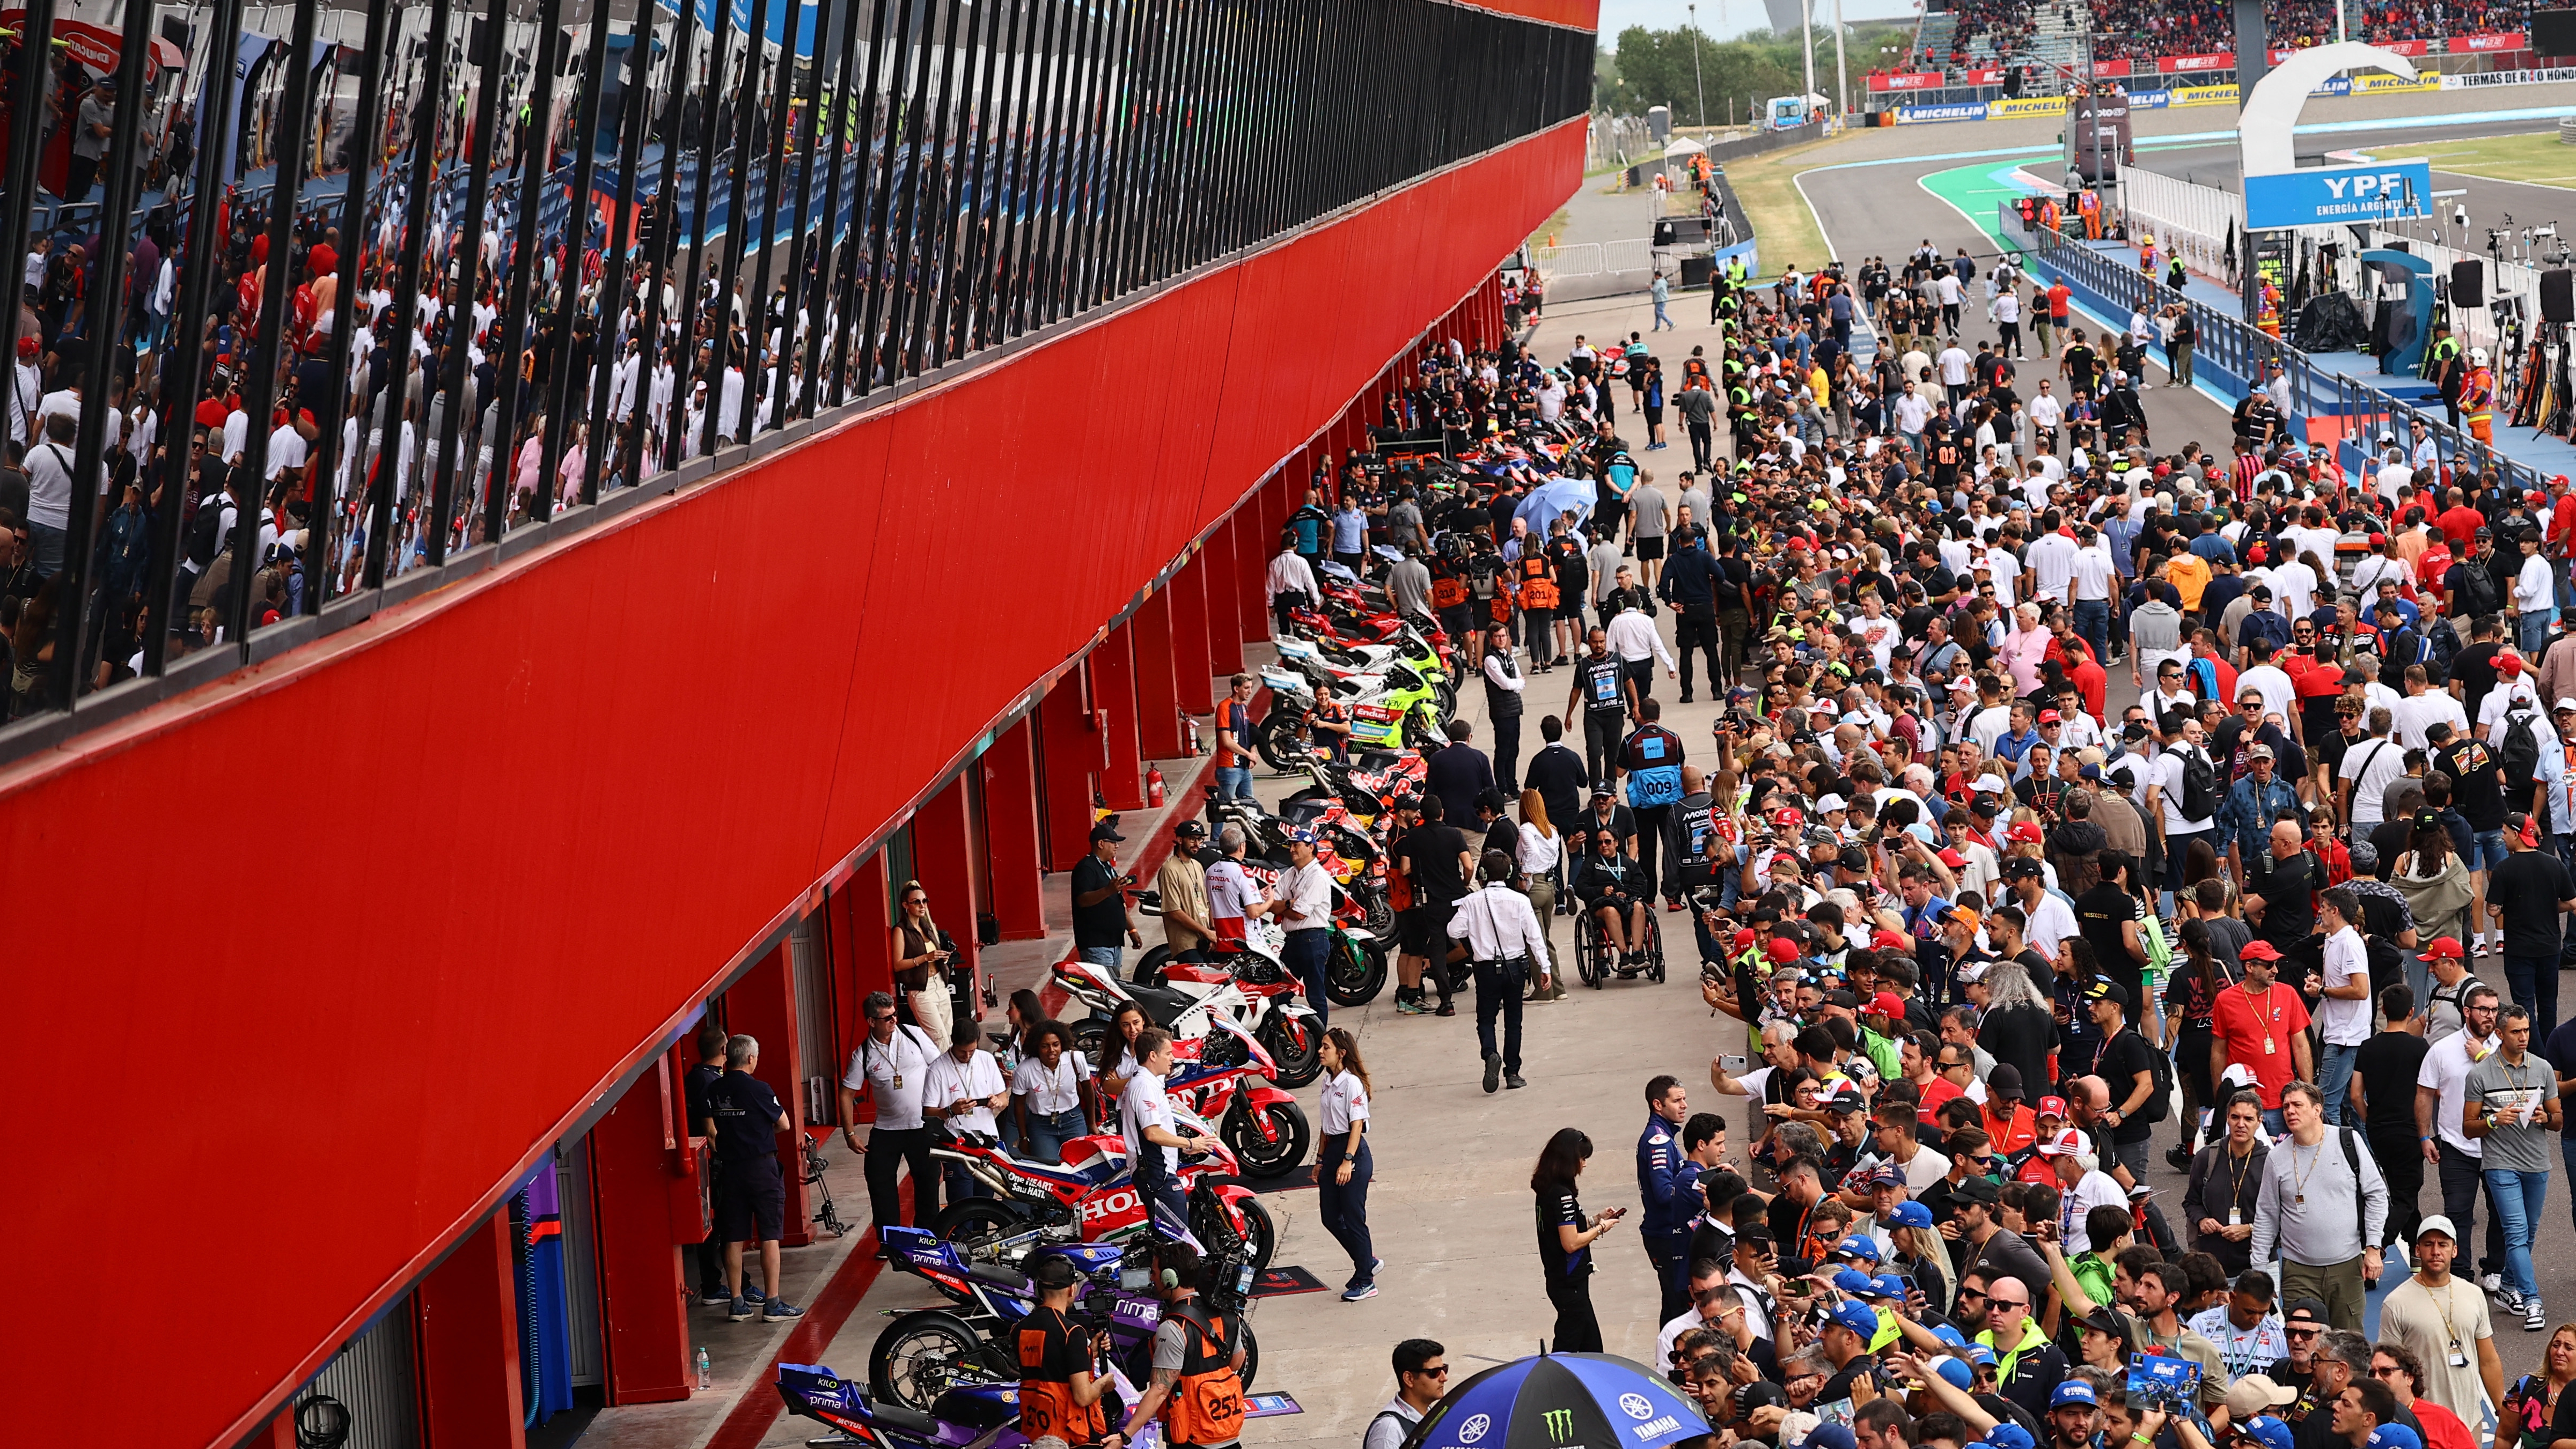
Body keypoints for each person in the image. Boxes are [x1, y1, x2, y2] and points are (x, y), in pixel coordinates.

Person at [2250, 1082, 2387, 1330]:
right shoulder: (2277, 1158)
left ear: (2317, 1110)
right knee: (2302, 1343)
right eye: (2286, 1107)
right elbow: (2266, 1216)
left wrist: (2374, 1247)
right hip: (2298, 1270)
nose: (2290, 1111)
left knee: (2347, 1343)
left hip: (2347, 1266)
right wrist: (2260, 1271)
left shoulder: (2348, 1141)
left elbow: (2377, 1194)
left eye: (2297, 1105)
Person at [2463, 1003, 2560, 1329]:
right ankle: (2532, 1300)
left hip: (2537, 1164)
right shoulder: (2481, 1074)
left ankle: (2506, 1287)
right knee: (2516, 1233)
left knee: (2528, 1233)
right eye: (2516, 1031)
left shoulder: (2543, 1068)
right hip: (2500, 1165)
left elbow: (2558, 1119)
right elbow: (2468, 1126)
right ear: (2500, 1034)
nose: (2523, 1037)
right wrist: (2492, 1120)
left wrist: (2547, 1117)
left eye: (2527, 1030)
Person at [699, 1033, 805, 1322]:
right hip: (761, 1168)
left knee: (732, 1237)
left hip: (730, 1169)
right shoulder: (759, 1089)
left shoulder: (714, 1090)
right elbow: (783, 1124)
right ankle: (772, 1303)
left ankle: (737, 1302)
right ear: (749, 1058)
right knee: (770, 1235)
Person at [1107, 1240, 1247, 1449]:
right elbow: (1236, 1362)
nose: (1152, 1278)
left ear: (1169, 1278)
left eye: (1155, 1272)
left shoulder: (1174, 1327)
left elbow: (1160, 1390)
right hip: (1228, 1433)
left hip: (1193, 1438)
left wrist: (1125, 1436)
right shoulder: (1228, 1315)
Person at [2416, 982, 2507, 1302]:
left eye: (2495, 1010)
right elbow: (2425, 1093)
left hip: (2500, 1148)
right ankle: (2463, 1274)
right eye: (2484, 1009)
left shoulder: (2505, 1049)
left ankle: (2495, 1270)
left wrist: (2483, 1056)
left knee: (2501, 1213)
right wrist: (2425, 1136)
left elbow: (2516, 1084)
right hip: (2456, 1146)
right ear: (2467, 1012)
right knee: (2458, 1214)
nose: (2490, 1016)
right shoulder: (2441, 1049)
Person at [2373, 1216, 2502, 1428]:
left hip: (2470, 1421)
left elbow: (2488, 1360)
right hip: (2422, 1425)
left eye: (2443, 1244)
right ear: (2417, 1250)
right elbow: (2387, 1370)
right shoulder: (2396, 1303)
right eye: (2428, 1244)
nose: (2436, 1251)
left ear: (2454, 1251)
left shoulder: (2474, 1295)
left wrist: (2501, 1409)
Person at [840, 990, 944, 1247]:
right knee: (880, 1183)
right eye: (886, 1018)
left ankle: (927, 1237)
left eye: (894, 1015)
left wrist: (945, 1113)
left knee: (928, 1182)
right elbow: (846, 1093)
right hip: (887, 1128)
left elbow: (941, 1068)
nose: (893, 1021)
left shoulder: (913, 1035)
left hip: (922, 1125)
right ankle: (889, 1242)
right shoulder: (863, 1054)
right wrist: (850, 1133)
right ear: (871, 1021)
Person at [1451, 847, 1552, 1091]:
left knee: (1486, 1019)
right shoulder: (1521, 901)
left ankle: (1490, 1054)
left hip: (1486, 969)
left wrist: (1475, 933)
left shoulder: (1471, 902)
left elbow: (1454, 931)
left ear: (1482, 874)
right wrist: (1545, 967)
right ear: (1509, 873)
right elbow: (1535, 937)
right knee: (1513, 1021)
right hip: (1516, 968)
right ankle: (1513, 1072)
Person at [2350, 984, 2432, 1247]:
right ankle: (2375, 1246)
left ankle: (2415, 1247)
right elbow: (2430, 1089)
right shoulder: (2420, 1047)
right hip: (2410, 1131)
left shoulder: (2368, 1047)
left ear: (2383, 1010)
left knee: (2400, 1190)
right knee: (2405, 1197)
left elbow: (2355, 1095)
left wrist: (2370, 1119)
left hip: (2379, 1131)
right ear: (2412, 1012)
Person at [2487, 813, 2576, 1039]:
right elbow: (2572, 902)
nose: (2502, 837)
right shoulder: (2554, 863)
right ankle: (2549, 1056)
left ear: (2517, 835)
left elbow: (2493, 909)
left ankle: (2537, 1055)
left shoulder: (2503, 869)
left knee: (2524, 1008)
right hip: (2550, 947)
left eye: (2505, 833)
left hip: (2519, 949)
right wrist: (2547, 905)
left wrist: (2512, 906)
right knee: (2548, 1005)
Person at [1533, 1127, 1620, 1352]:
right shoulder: (1562, 1196)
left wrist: (1595, 1219)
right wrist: (1601, 1228)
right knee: (1567, 1348)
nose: (1584, 1164)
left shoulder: (1546, 1190)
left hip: (1564, 1281)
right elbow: (1570, 1243)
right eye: (1582, 1158)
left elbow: (1562, 1229)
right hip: (1570, 1283)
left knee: (1593, 1348)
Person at [1119, 1029, 1215, 1232]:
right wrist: (1190, 1143)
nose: (1173, 1058)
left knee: (1166, 1237)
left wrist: (1181, 1148)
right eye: (1168, 1053)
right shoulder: (1145, 1086)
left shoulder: (1144, 1082)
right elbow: (1152, 1134)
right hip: (1156, 1173)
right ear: (1153, 1056)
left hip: (1154, 1170)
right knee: (1176, 1238)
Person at [2211, 942, 2313, 1130]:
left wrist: (2308, 1093)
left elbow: (2301, 1045)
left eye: (2276, 965)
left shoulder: (2288, 994)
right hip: (2244, 1105)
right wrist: (2220, 1095)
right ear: (2250, 967)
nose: (2274, 970)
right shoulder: (2225, 1001)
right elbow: (2219, 1051)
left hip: (2283, 1101)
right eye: (2268, 965)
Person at [1018, 1252, 1115, 1445]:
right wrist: (1104, 1383)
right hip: (1069, 1435)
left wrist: (1089, 1353)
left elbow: (1048, 1365)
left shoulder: (1020, 1328)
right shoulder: (1072, 1332)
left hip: (1038, 1432)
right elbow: (1083, 1396)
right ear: (1072, 1289)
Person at [1316, 1028, 1378, 1301]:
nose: (1320, 1051)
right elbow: (1325, 1126)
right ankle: (1367, 1259)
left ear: (1341, 1053)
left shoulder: (1351, 1084)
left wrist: (1348, 1161)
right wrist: (1320, 1160)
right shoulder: (1328, 1082)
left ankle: (1366, 1280)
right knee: (1330, 1217)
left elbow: (1357, 1125)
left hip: (1352, 1153)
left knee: (1353, 1218)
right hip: (1332, 1151)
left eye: (1326, 1047)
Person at [922, 1019, 1010, 1204]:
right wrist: (950, 1111)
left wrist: (997, 1101)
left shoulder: (985, 1059)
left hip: (988, 1143)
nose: (968, 1056)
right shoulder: (937, 1069)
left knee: (985, 1204)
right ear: (953, 1042)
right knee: (961, 1204)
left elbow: (1004, 1098)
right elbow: (928, 1112)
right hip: (957, 1146)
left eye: (972, 1050)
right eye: (963, 1052)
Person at [2184, 1090, 2271, 1274]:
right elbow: (2192, 1202)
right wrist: (2202, 1220)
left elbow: (2281, 1216)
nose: (2241, 1124)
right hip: (2213, 1267)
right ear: (2227, 1118)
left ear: (2259, 1122)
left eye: (2248, 1119)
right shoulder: (2207, 1157)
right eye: (2235, 1117)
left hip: (2258, 1265)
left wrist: (2249, 1229)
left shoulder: (2271, 1163)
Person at [683, 1019, 732, 1306]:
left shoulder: (699, 1076)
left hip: (705, 1160)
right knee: (717, 1224)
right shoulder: (707, 1081)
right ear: (724, 1049)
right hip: (710, 1163)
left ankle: (717, 1281)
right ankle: (713, 1284)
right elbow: (710, 1129)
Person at [1009, 1020, 1096, 1165]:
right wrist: (1024, 1138)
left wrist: (1092, 1122)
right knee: (1050, 1171)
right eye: (1045, 1046)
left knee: (1079, 1167)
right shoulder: (1024, 1070)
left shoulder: (1075, 1059)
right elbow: (1019, 1106)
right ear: (1037, 1047)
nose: (1052, 1050)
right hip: (1041, 1126)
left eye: (1056, 1044)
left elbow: (1088, 1090)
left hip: (1073, 1120)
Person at [1275, 828, 1337, 1028]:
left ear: (1311, 848)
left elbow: (1300, 913)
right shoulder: (1290, 874)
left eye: (1296, 845)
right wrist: (1288, 904)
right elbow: (1270, 902)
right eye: (1291, 846)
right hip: (1293, 941)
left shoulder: (1317, 876)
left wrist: (1283, 906)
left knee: (1315, 994)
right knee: (1279, 993)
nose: (1291, 849)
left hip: (1312, 940)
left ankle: (1321, 1041)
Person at [2371, 1342, 2474, 1449]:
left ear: (2409, 1378)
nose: (2377, 1378)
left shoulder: (2443, 1419)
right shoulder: (2363, 1416)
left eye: (2386, 1371)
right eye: (2372, 1373)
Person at [892, 878, 956, 1042]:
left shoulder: (928, 927)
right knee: (939, 1038)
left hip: (940, 983)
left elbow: (934, 956)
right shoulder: (901, 930)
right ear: (906, 905)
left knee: (948, 1034)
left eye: (925, 901)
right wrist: (926, 958)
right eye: (917, 902)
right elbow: (898, 965)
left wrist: (943, 957)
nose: (922, 906)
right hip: (921, 990)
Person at [1072, 822, 1142, 972]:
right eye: (1113, 842)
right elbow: (1082, 900)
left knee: (1114, 986)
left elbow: (1118, 902)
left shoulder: (1108, 867)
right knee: (1105, 990)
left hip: (1114, 942)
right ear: (1101, 844)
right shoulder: (1086, 868)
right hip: (1097, 943)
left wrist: (1132, 930)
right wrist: (1108, 890)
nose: (1117, 846)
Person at [1362, 1341, 1449, 1449]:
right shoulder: (1388, 1432)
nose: (1444, 1378)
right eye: (1434, 1373)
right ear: (1409, 1379)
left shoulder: (1431, 1414)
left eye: (1444, 1369)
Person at [1156, 820, 1214, 967]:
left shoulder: (1198, 865)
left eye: (1200, 839)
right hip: (1186, 943)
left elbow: (1207, 903)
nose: (1197, 844)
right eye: (1192, 839)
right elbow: (1173, 911)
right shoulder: (1169, 869)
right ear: (1180, 840)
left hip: (1204, 939)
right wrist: (1206, 932)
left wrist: (1212, 931)